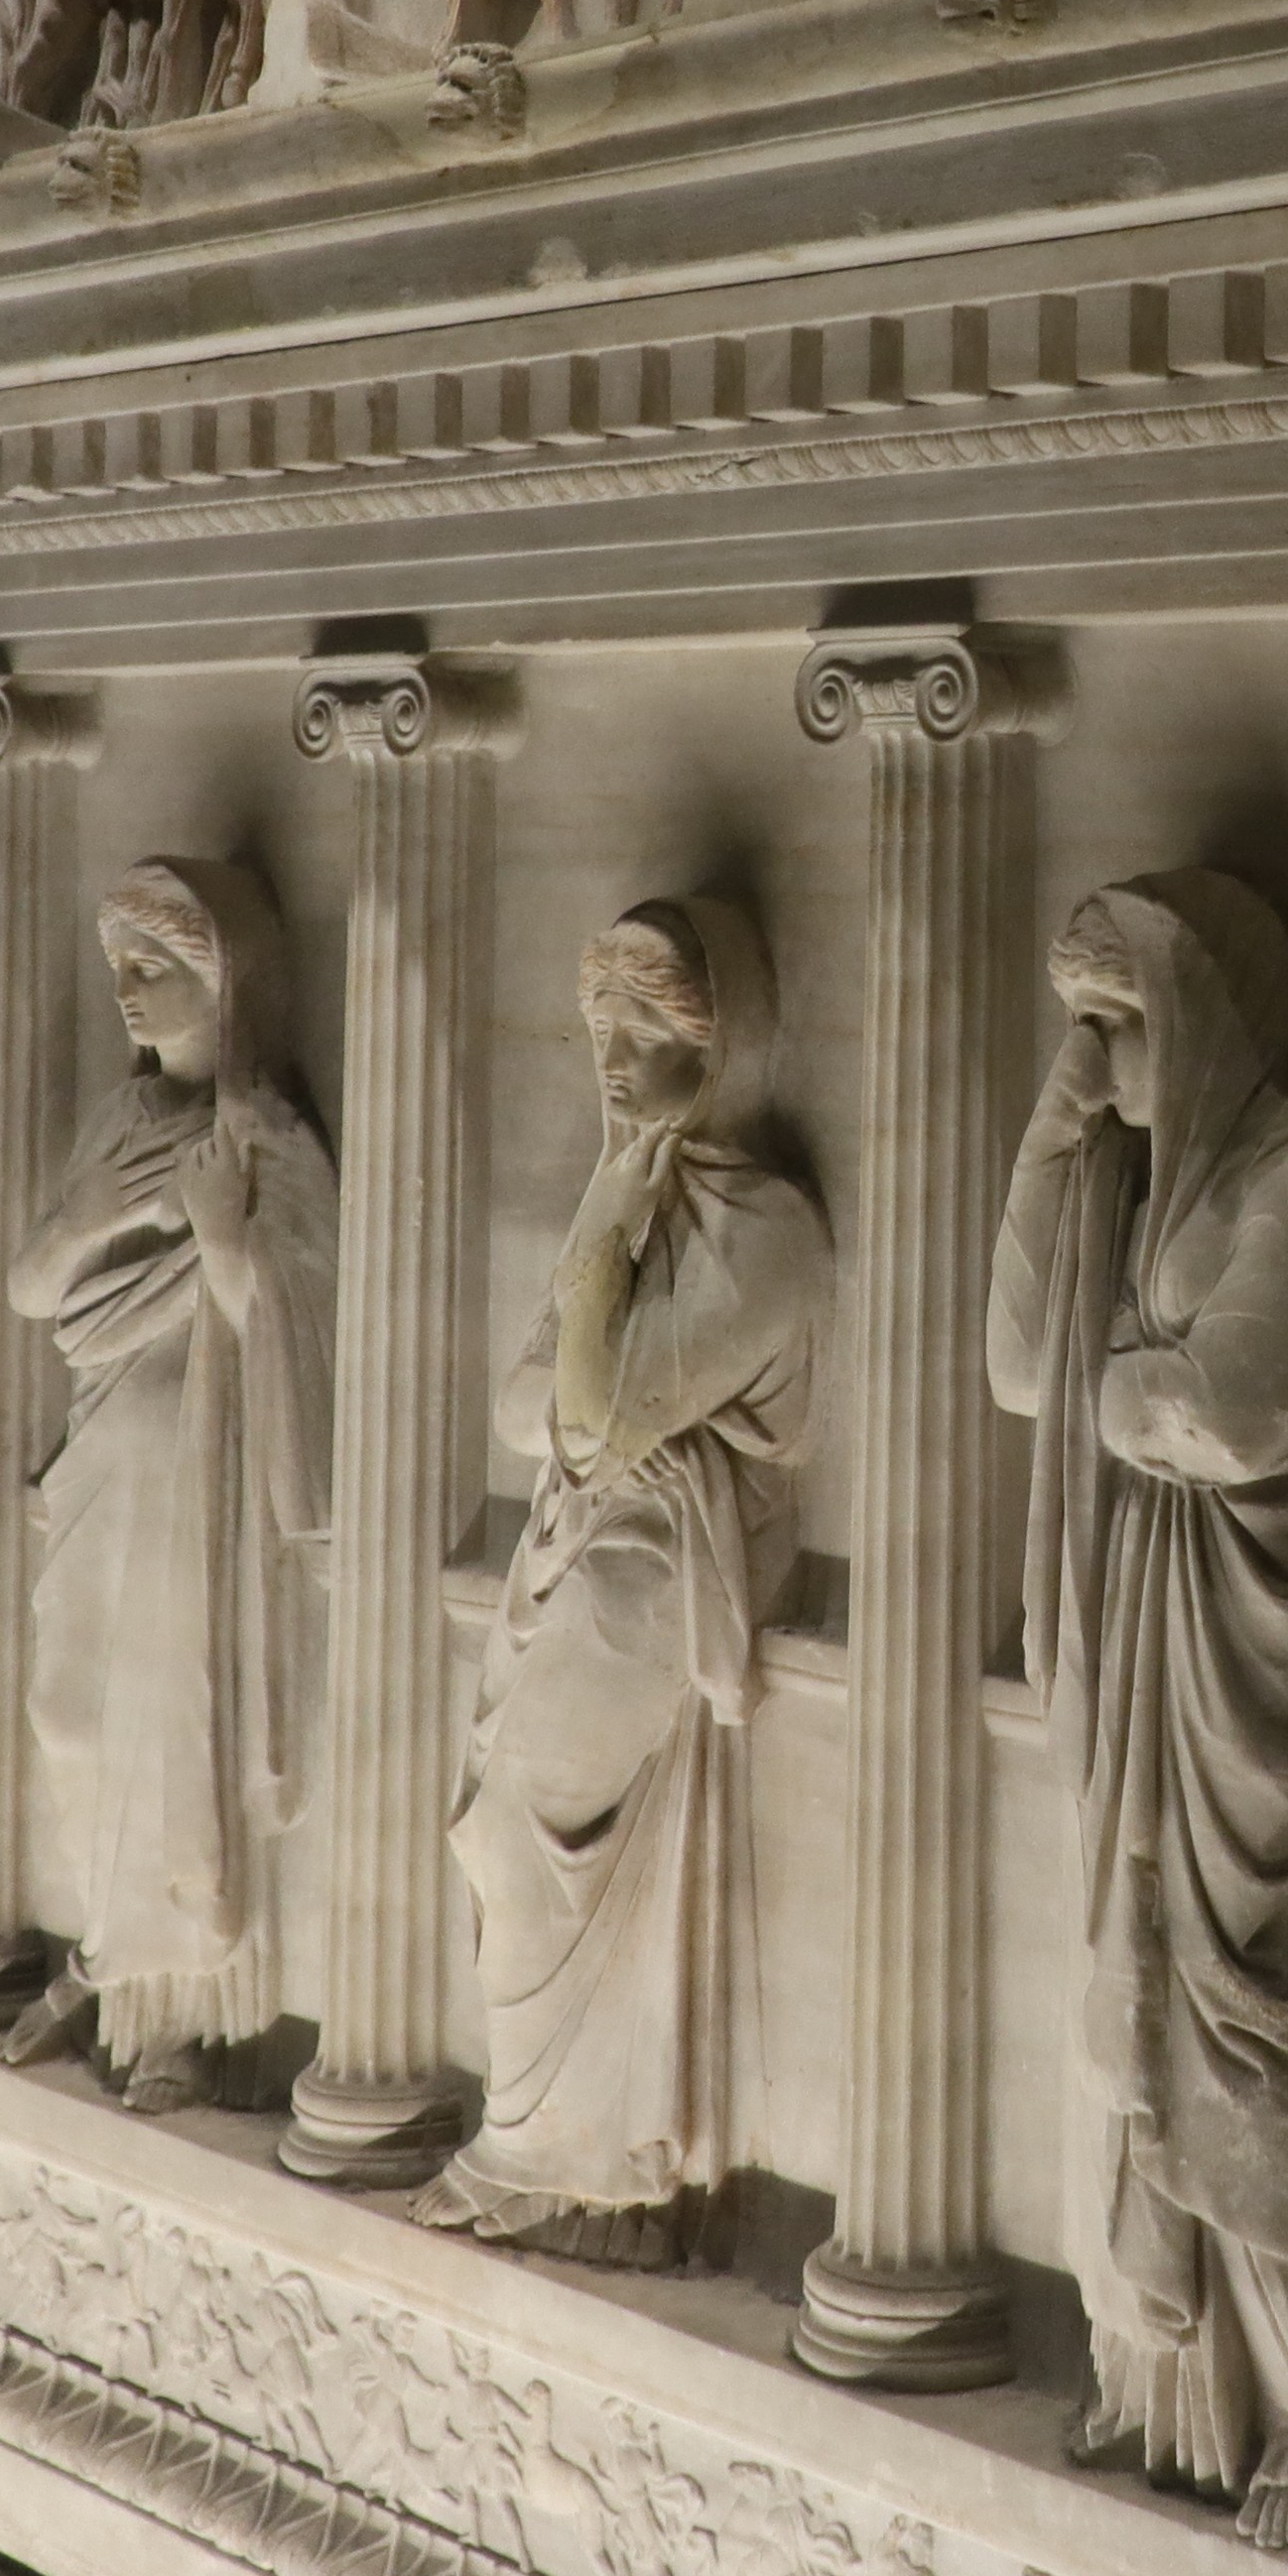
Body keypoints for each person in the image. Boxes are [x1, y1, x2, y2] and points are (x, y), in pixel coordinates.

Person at [991, 872, 1288, 2557]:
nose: (1093, 1059)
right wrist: (1055, 1142)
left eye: (1118, 1025)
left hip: (1252, 1663)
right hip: (1153, 1641)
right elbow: (1026, 1371)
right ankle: (1187, 2384)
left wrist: (1123, 1383)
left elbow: (1229, 1413)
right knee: (1157, 1992)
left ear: (1206, 1017)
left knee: (1244, 2009)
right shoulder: (1149, 1182)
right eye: (1077, 1027)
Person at [418, 904, 832, 2260]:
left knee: (517, 1828)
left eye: (644, 1029)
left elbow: (587, 1415)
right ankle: (545, 2135)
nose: (610, 1057)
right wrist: (606, 1216)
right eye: (600, 1025)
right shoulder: (638, 1203)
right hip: (581, 1540)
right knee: (492, 1828)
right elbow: (521, 1409)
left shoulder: (764, 1230)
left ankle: (550, 2149)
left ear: (717, 1048)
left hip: (669, 1565)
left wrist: (603, 1222)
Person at [0, 861, 337, 2105]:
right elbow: (33, 1291)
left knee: (174, 1728)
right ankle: (105, 1955)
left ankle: (173, 2013)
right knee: (69, 1715)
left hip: (201, 1472)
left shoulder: (267, 1136)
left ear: (226, 977)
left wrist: (223, 1237)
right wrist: (86, 1214)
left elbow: (299, 1319)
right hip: (102, 1455)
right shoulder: (117, 1121)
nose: (128, 993)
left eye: (155, 968)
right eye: (119, 971)